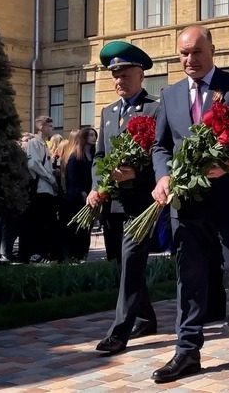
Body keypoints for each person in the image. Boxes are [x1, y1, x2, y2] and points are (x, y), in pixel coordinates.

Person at [150, 25, 229, 383]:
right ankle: (187, 350)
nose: (189, 60)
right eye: (183, 54)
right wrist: (162, 176)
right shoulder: (169, 95)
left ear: (212, 51)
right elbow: (161, 146)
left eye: (196, 52)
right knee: (189, 275)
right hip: (186, 202)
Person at [91, 41, 161, 356]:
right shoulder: (107, 113)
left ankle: (119, 333)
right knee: (122, 265)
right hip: (113, 204)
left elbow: (162, 155)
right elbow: (99, 157)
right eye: (114, 74)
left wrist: (139, 175)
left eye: (124, 73)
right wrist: (97, 186)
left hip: (142, 205)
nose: (118, 80)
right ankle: (146, 317)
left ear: (140, 73)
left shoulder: (155, 108)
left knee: (132, 263)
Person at [23, 115, 58, 264]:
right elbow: (33, 164)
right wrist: (50, 178)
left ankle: (42, 253)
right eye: (49, 126)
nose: (52, 129)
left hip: (46, 189)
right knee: (37, 223)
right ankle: (34, 254)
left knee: (45, 223)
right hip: (39, 189)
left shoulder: (44, 144)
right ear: (41, 127)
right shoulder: (34, 143)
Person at [64, 127, 97, 261]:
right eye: (90, 135)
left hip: (92, 196)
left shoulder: (95, 156)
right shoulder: (75, 157)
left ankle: (83, 254)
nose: (94, 138)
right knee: (78, 227)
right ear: (84, 138)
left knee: (87, 228)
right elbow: (73, 179)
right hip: (77, 198)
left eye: (94, 135)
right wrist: (83, 193)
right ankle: (74, 255)